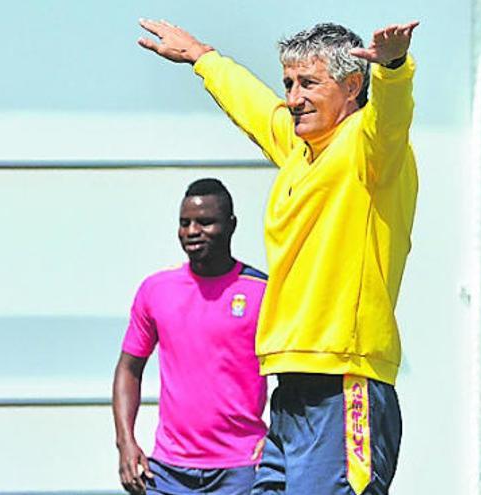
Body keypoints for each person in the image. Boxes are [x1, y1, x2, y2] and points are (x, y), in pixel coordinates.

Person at [137, 19, 419, 495]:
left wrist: (393, 67)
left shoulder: (370, 149)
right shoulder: (300, 149)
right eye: (289, 83)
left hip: (345, 380)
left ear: (352, 86)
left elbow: (391, 117)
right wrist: (205, 58)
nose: (293, 97)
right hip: (290, 389)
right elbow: (255, 109)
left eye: (309, 83)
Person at [112, 178, 268, 495]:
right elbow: (129, 369)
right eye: (185, 223)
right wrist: (125, 442)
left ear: (231, 225)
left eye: (205, 222)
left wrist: (278, 440)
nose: (192, 231)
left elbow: (294, 375)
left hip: (240, 472)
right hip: (167, 473)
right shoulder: (156, 290)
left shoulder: (263, 292)